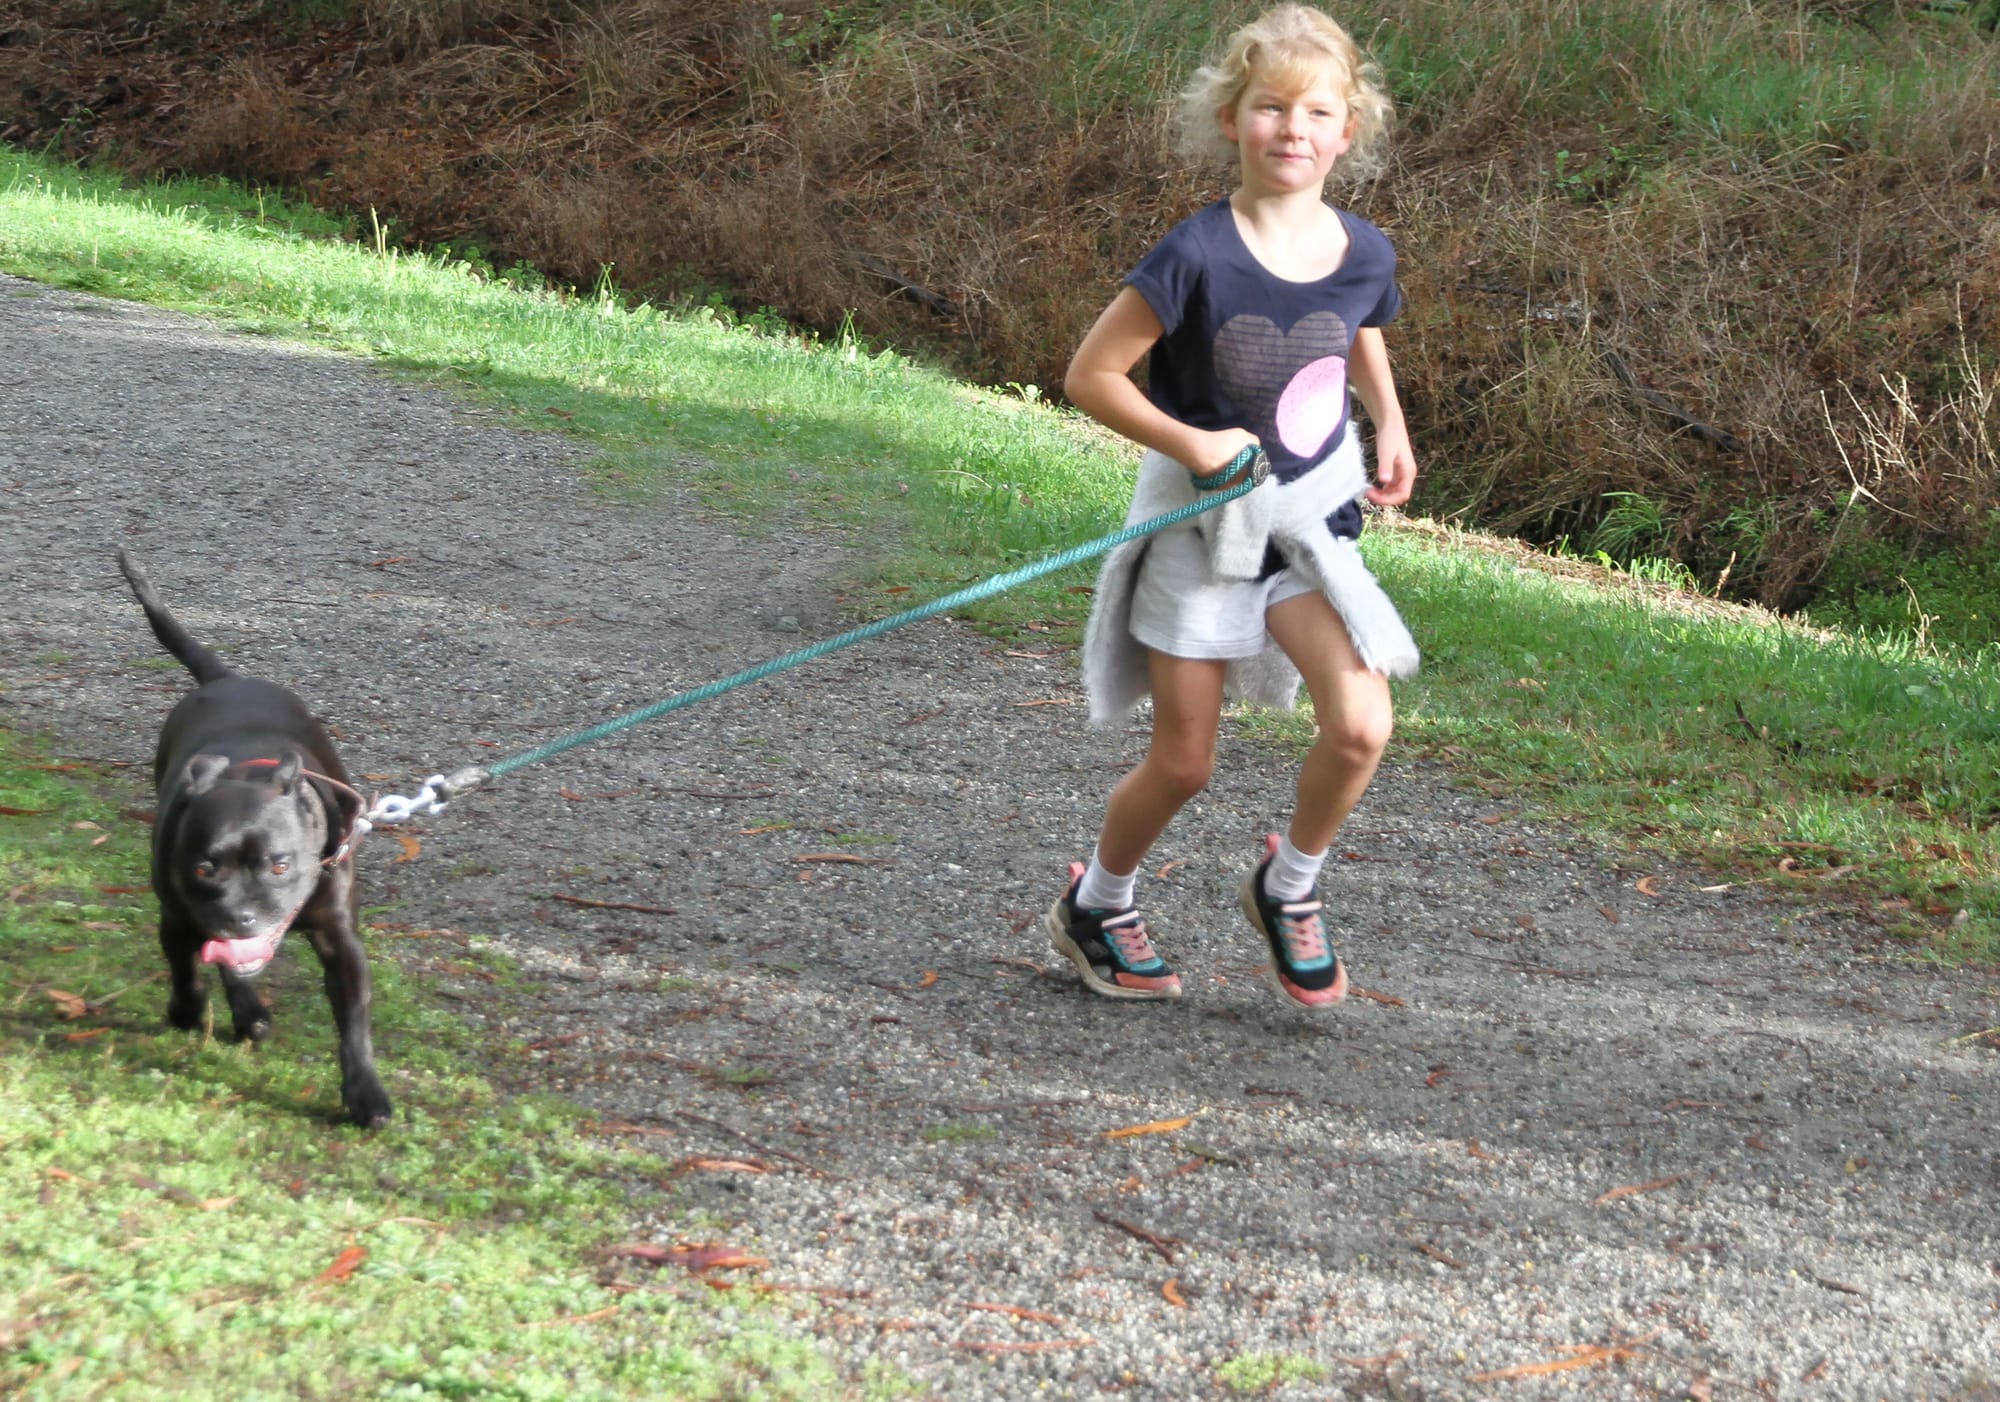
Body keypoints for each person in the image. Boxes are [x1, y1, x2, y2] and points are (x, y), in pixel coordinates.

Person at [1048, 2, 1420, 1009]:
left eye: (1314, 112)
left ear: (1348, 129)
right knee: (1183, 761)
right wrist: (1195, 441)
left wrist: (1386, 421)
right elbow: (1091, 375)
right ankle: (1098, 899)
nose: (1290, 130)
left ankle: (1287, 883)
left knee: (1358, 724)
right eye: (1268, 108)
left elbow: (1357, 329)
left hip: (1303, 529)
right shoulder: (1194, 254)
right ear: (1231, 120)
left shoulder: (1362, 252)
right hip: (1201, 532)